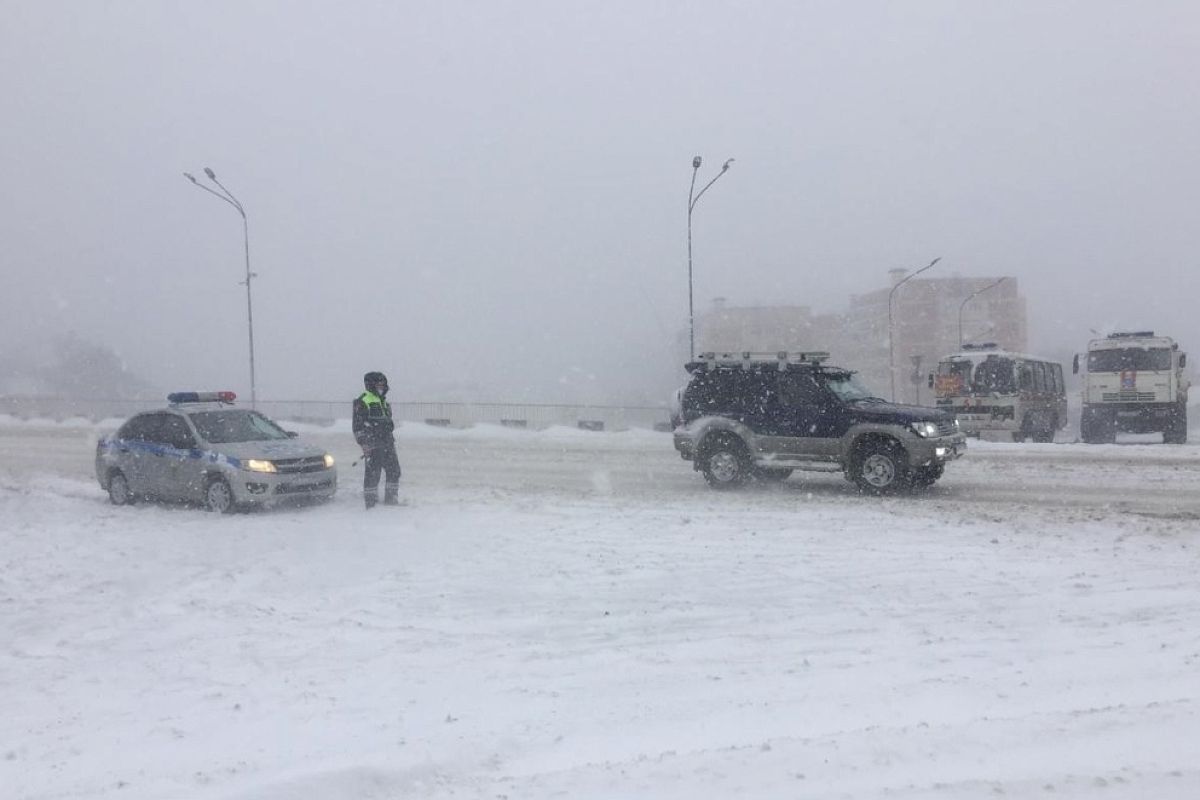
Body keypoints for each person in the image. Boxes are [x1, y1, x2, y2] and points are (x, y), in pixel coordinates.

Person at [352, 371, 401, 508]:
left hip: (388, 443)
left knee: (394, 471)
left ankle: (391, 500)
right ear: (370, 385)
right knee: (373, 475)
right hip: (372, 444)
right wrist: (364, 443)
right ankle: (371, 504)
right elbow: (357, 427)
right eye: (379, 384)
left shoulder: (383, 402)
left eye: (383, 384)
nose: (381, 387)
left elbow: (386, 421)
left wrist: (389, 426)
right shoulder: (362, 401)